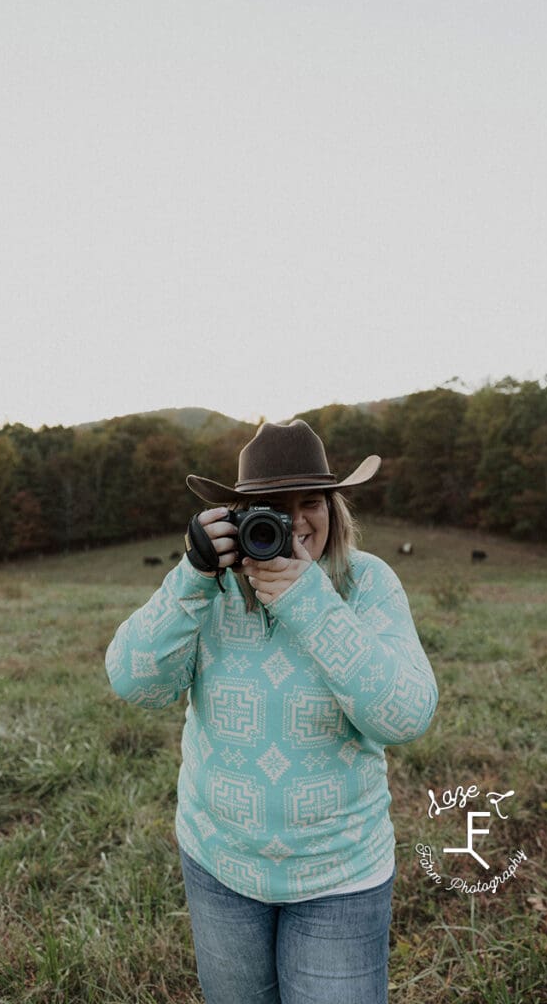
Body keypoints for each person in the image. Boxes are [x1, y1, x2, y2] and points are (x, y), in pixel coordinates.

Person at [105, 420, 438, 1004]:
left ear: (333, 507)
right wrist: (191, 577)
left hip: (339, 874)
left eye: (310, 502)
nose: (294, 522)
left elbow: (406, 716)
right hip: (220, 862)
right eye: (270, 508)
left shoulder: (366, 582)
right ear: (238, 515)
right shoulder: (209, 588)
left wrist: (307, 598)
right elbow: (133, 682)